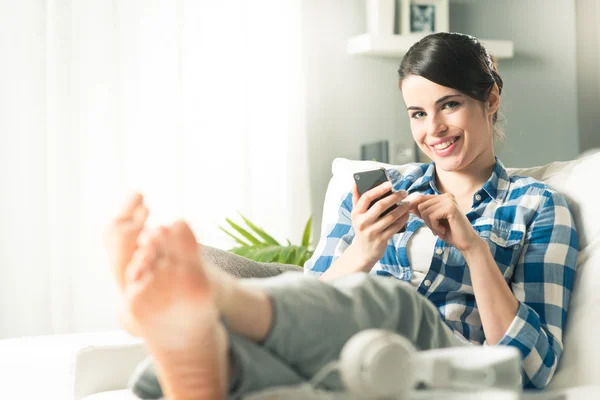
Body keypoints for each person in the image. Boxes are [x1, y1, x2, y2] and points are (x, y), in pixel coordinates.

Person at [104, 33, 578, 399]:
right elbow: (311, 306)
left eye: (449, 105)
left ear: (490, 99)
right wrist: (364, 249)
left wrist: (474, 249)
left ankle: (215, 304)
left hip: (446, 359)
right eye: (417, 113)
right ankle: (195, 363)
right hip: (362, 356)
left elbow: (531, 366)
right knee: (216, 265)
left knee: (393, 300)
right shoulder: (383, 188)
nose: (432, 129)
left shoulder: (538, 205)